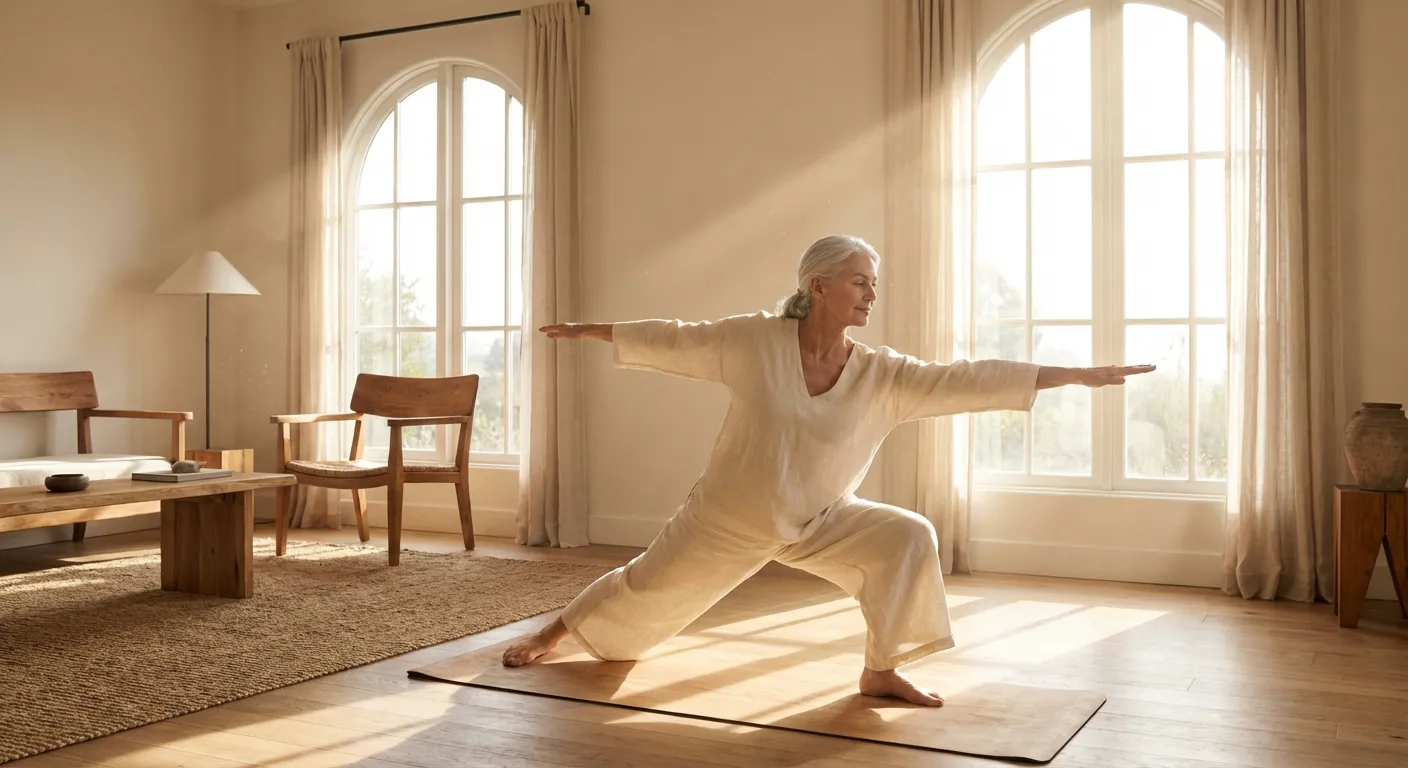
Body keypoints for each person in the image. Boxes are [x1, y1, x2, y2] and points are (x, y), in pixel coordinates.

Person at [501, 234, 1154, 706]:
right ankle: (551, 632)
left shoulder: (883, 376)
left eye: (874, 281)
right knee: (638, 604)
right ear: (818, 287)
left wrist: (1074, 375)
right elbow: (681, 336)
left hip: (821, 520)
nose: (873, 292)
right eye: (861, 280)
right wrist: (594, 331)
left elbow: (965, 379)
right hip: (729, 517)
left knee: (908, 535)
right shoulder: (753, 341)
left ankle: (881, 669)